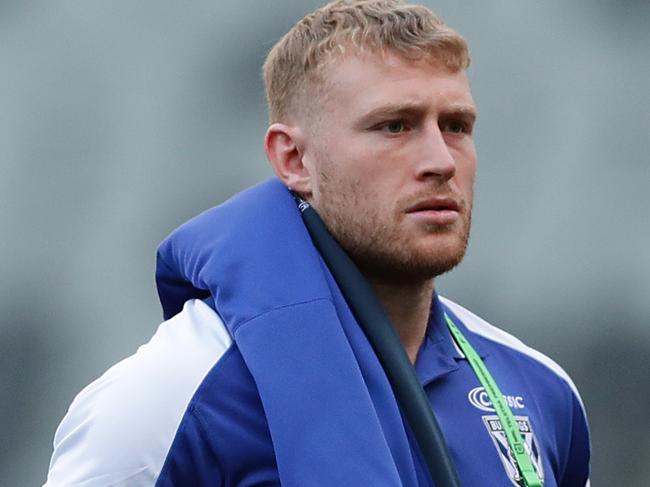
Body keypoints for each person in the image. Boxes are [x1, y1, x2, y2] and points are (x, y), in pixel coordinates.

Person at [44, 1, 591, 486]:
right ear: (293, 160)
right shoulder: (169, 397)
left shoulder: (540, 389)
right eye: (394, 126)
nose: (440, 162)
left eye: (455, 126)